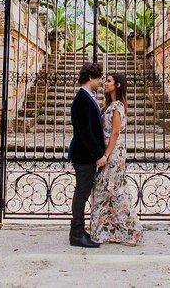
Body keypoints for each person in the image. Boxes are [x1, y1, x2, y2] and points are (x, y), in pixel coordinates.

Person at [90, 73, 143, 246]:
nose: (105, 83)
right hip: (108, 151)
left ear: (118, 85)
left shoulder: (118, 106)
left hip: (113, 154)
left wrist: (106, 155)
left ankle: (132, 231)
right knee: (104, 190)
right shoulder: (108, 105)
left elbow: (115, 132)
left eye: (109, 81)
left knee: (113, 190)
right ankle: (108, 232)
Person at [67, 61, 107, 248]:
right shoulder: (82, 99)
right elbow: (85, 132)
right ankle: (76, 234)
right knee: (81, 194)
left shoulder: (88, 96)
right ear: (90, 77)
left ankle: (80, 231)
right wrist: (99, 155)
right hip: (84, 156)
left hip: (87, 155)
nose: (101, 82)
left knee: (82, 193)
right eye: (99, 78)